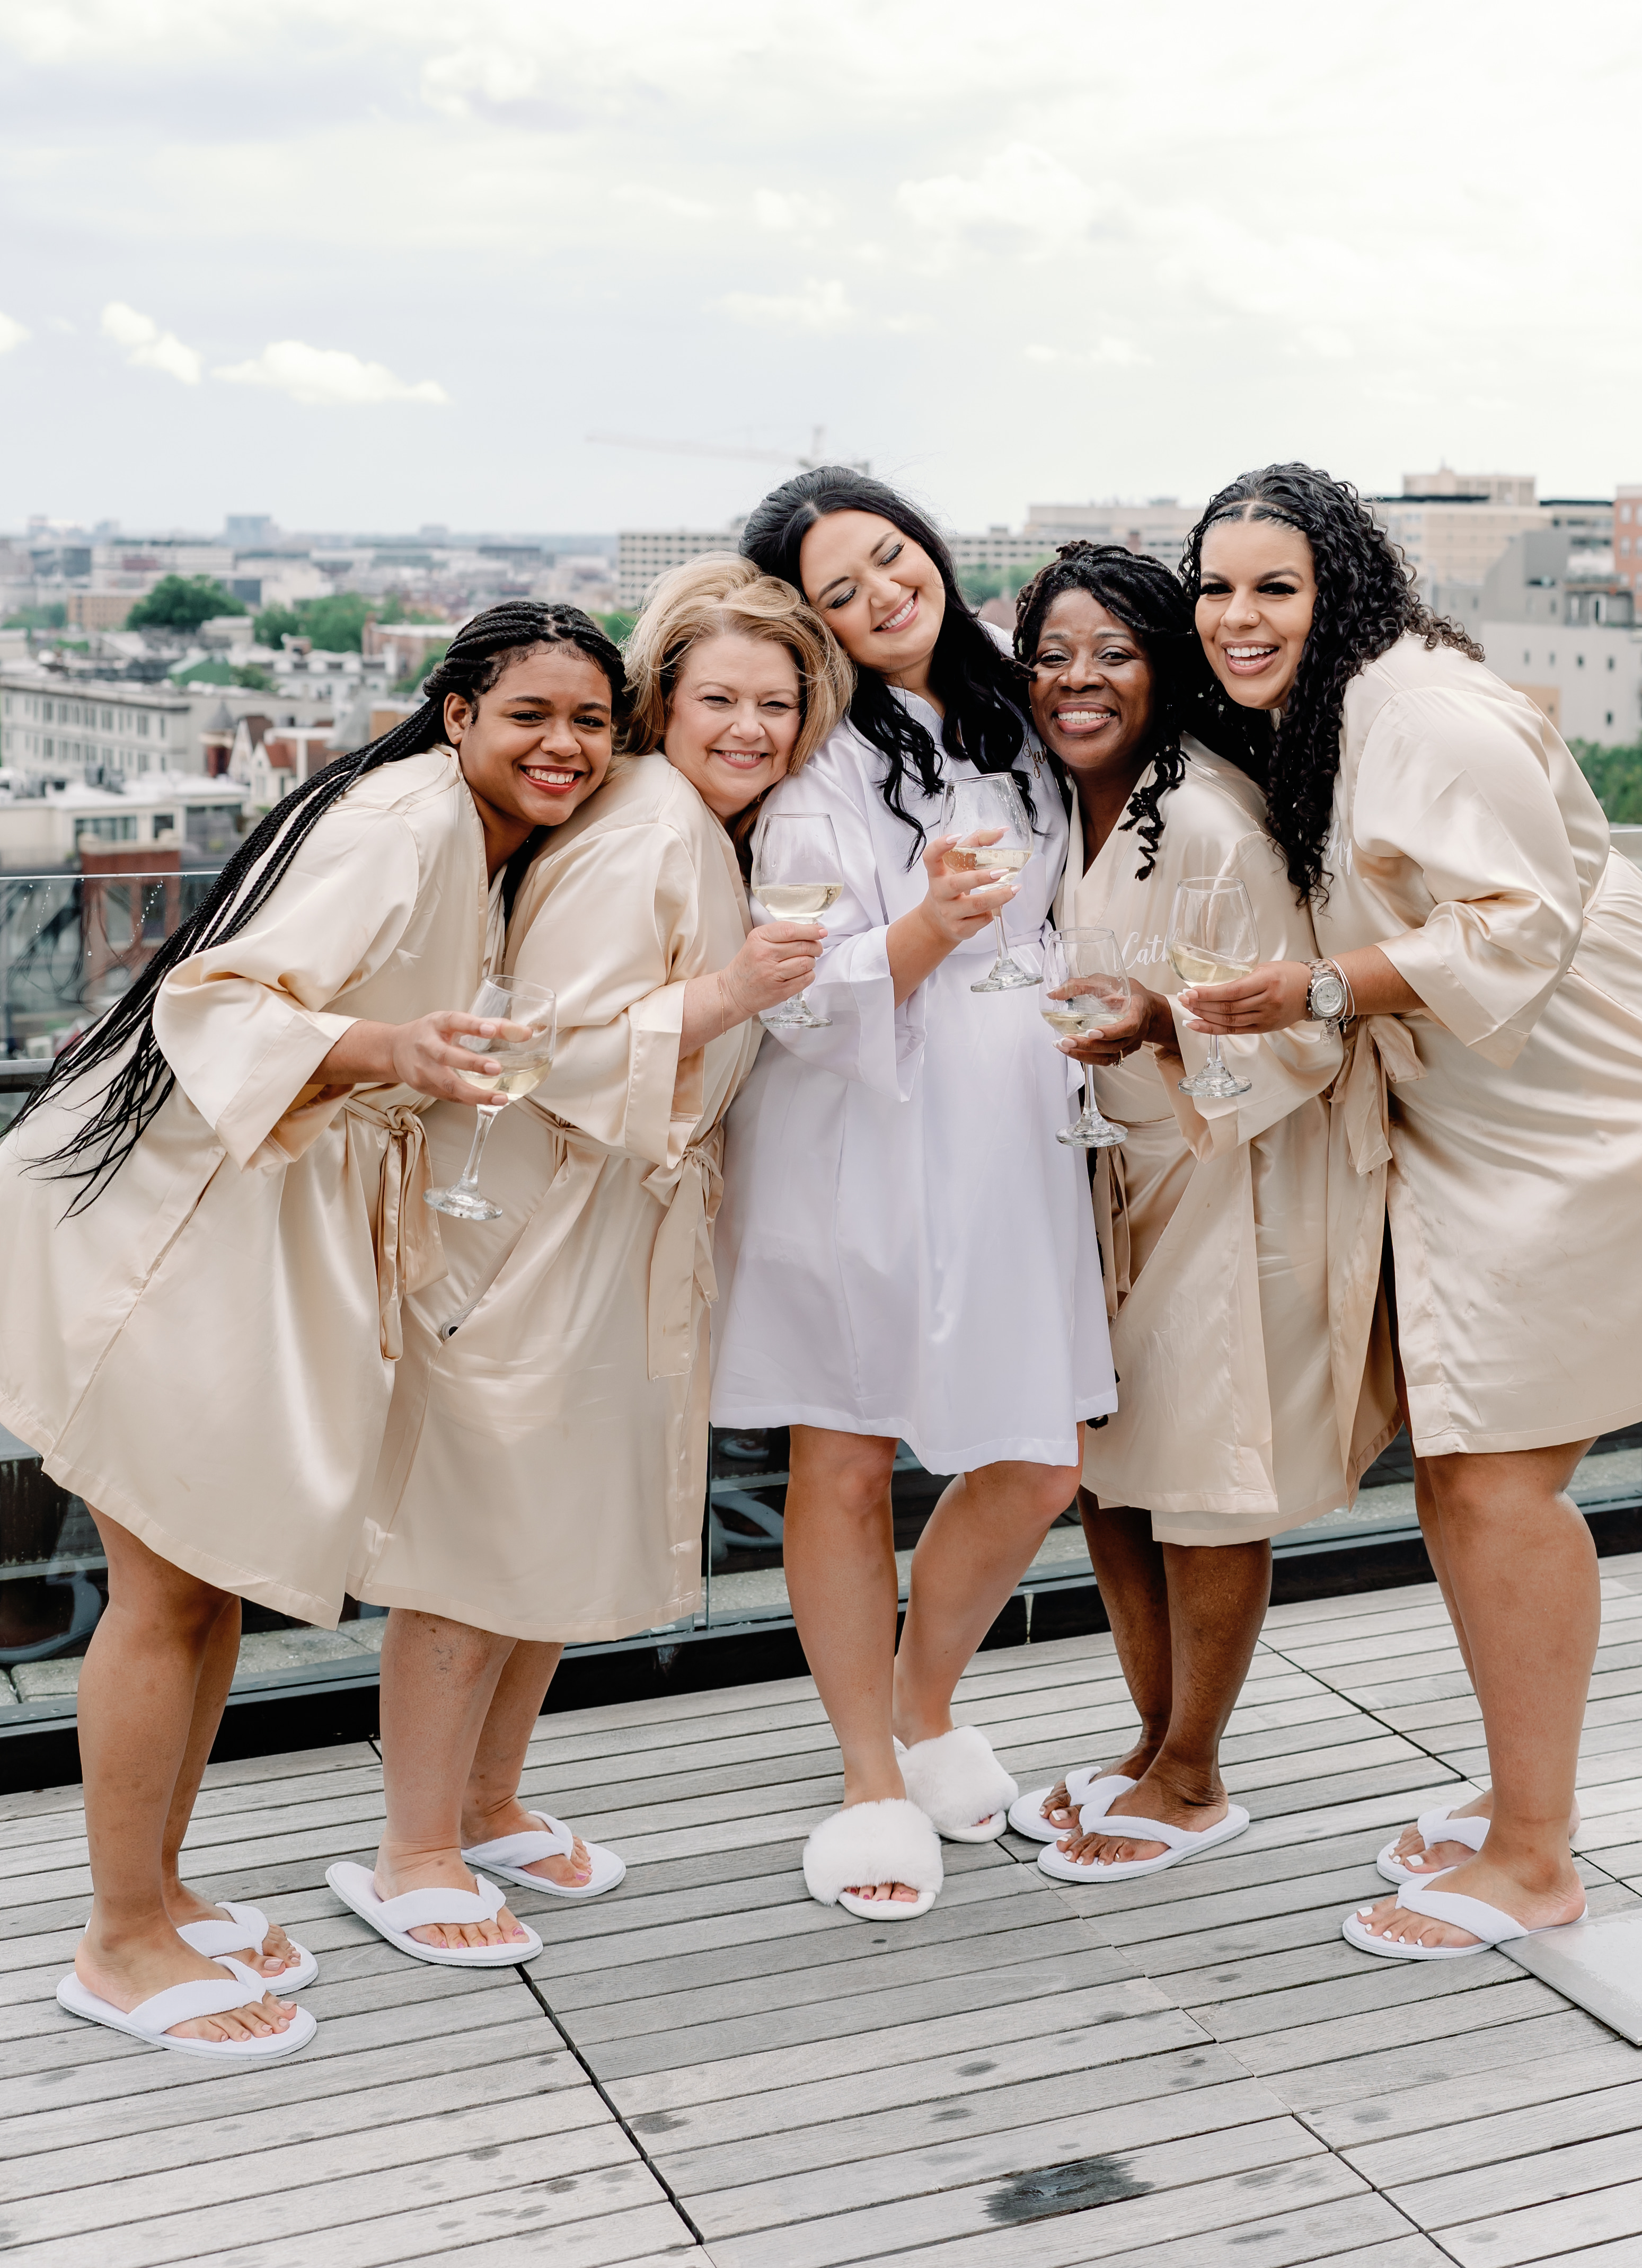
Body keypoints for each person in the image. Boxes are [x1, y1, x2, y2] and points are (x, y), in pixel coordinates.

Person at [0, 604, 612, 2058]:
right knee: (165, 1596)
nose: (566, 745)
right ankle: (117, 1944)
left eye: (593, 720)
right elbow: (211, 1001)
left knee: (201, 1586)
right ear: (457, 710)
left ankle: (156, 1891)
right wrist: (389, 1049)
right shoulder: (405, 826)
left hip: (232, 1218)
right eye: (531, 712)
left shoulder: (459, 829)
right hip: (171, 1235)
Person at [1177, 466, 1642, 1959]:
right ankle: (1515, 1801)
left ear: (1339, 585)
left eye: (1272, 586)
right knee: (1463, 1466)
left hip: (1612, 1098)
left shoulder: (1419, 707)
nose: (1236, 617)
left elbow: (1517, 921)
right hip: (1496, 1109)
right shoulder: (1334, 711)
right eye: (1215, 588)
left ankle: (1538, 1854)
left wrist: (1316, 988)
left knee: (1492, 1481)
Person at [338, 561, 848, 1961]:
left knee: (547, 1525)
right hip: (529, 1226)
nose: (751, 727)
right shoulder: (649, 834)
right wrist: (730, 993)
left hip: (606, 1221)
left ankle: (489, 1804)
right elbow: (540, 1047)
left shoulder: (680, 819)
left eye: (779, 702)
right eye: (720, 698)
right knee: (477, 1530)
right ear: (662, 700)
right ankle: (414, 1847)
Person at [716, 470, 1116, 1920]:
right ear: (809, 623)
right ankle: (867, 1773)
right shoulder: (819, 768)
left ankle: (922, 1703)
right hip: (865, 1136)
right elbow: (795, 995)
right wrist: (926, 931)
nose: (884, 593)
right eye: (841, 589)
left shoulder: (1014, 714)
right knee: (847, 1454)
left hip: (1015, 1131)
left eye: (891, 558)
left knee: (1042, 1450)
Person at [1009, 543, 1394, 1884]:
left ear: (1163, 667)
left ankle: (1192, 1775)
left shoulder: (1214, 821)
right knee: (1111, 1481)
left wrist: (1164, 1025)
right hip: (1108, 1185)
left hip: (1230, 1185)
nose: (1077, 678)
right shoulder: (1061, 811)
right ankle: (1149, 1741)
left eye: (1112, 651)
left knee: (1205, 1487)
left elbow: (1304, 1034)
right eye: (1052, 653)